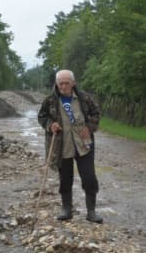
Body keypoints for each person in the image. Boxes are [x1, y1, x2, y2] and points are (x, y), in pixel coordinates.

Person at [37, 69, 103, 223]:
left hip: (83, 144)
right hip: (62, 145)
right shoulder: (50, 100)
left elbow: (96, 113)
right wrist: (50, 125)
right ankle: (67, 209)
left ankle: (91, 211)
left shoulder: (84, 98)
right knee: (65, 178)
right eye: (60, 83)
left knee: (89, 177)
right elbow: (42, 117)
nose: (63, 86)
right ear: (56, 84)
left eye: (67, 83)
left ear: (73, 83)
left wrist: (90, 126)